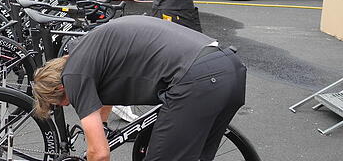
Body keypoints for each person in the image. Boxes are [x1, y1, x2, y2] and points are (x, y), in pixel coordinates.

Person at [32, 16, 247, 161]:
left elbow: (99, 153)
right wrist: (103, 125)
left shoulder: (73, 76)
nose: (69, 104)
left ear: (60, 87)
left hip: (198, 80)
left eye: (62, 102)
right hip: (229, 69)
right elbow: (103, 97)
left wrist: (97, 146)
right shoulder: (87, 50)